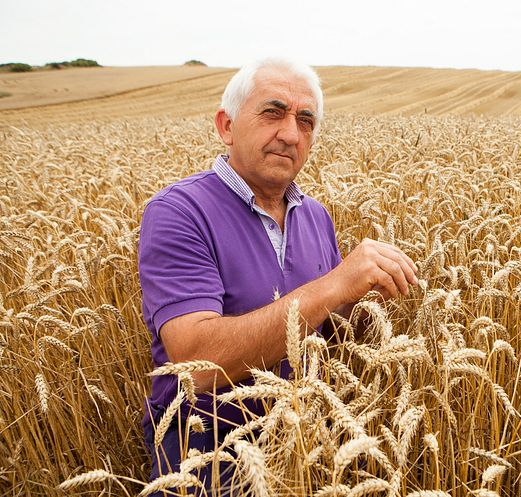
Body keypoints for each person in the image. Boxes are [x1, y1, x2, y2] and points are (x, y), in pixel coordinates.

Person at [138, 58, 418, 493]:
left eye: (305, 121)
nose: (290, 133)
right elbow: (197, 364)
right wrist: (334, 285)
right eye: (273, 112)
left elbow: (328, 333)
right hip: (207, 461)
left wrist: (365, 305)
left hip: (309, 448)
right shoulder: (179, 212)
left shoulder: (315, 216)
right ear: (225, 126)